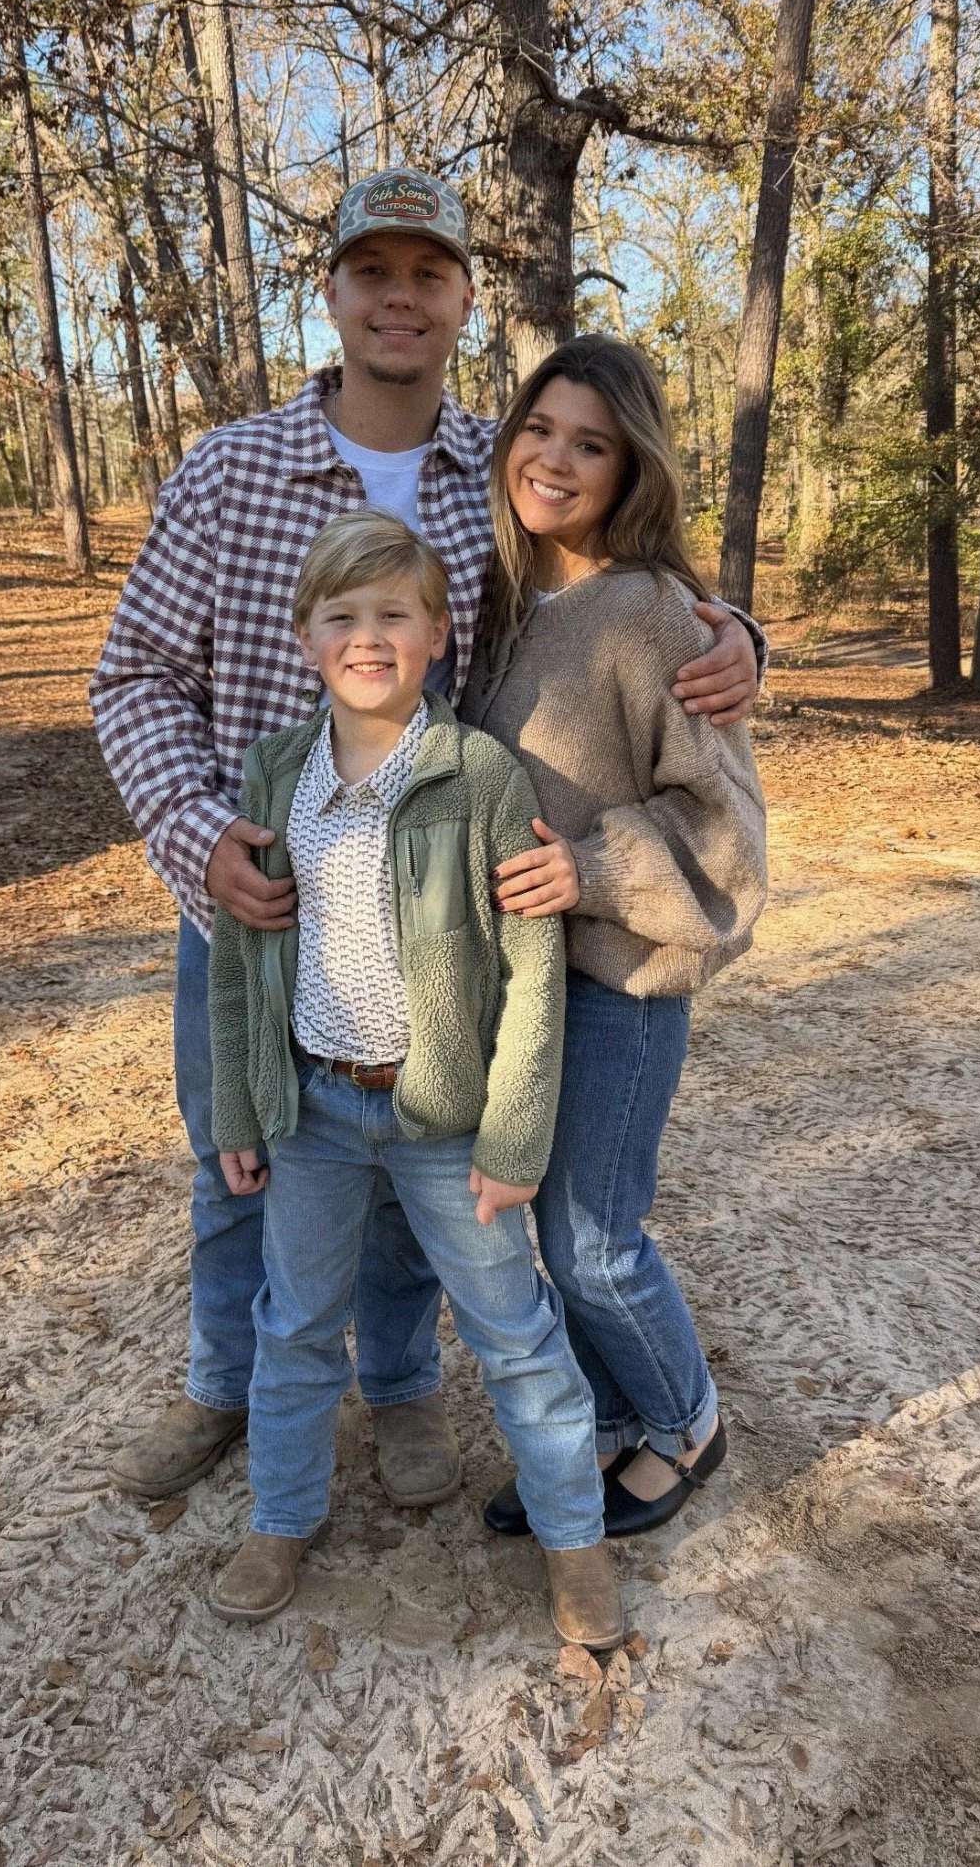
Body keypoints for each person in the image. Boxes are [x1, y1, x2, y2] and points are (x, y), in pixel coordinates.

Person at [90, 166, 764, 1512]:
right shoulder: (229, 473)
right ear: (330, 292)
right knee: (236, 1158)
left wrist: (741, 635)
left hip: (422, 925)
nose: (399, 299)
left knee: (411, 1176)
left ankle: (398, 1393)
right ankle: (222, 1387)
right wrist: (193, 832)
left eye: (428, 275)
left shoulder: (491, 487)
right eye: (372, 273)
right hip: (253, 905)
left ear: (463, 300)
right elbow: (134, 677)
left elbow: (617, 594)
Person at [204, 509, 621, 1649]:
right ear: (304, 638)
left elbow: (532, 973)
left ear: (437, 633)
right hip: (316, 1112)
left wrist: (513, 1137)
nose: (368, 636)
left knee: (514, 1331)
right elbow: (244, 960)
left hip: (444, 1119)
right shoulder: (276, 769)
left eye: (394, 613)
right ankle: (281, 1517)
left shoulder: (479, 774)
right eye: (342, 615)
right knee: (294, 1325)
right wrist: (241, 1106)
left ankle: (575, 1546)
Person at [459, 335, 767, 1537]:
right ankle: (610, 1420)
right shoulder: (498, 596)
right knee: (539, 1225)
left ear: (631, 466)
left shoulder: (651, 614)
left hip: (621, 986)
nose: (556, 457)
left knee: (592, 1237)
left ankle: (686, 1422)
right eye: (540, 428)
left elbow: (728, 836)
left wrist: (586, 867)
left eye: (591, 441)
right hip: (519, 985)